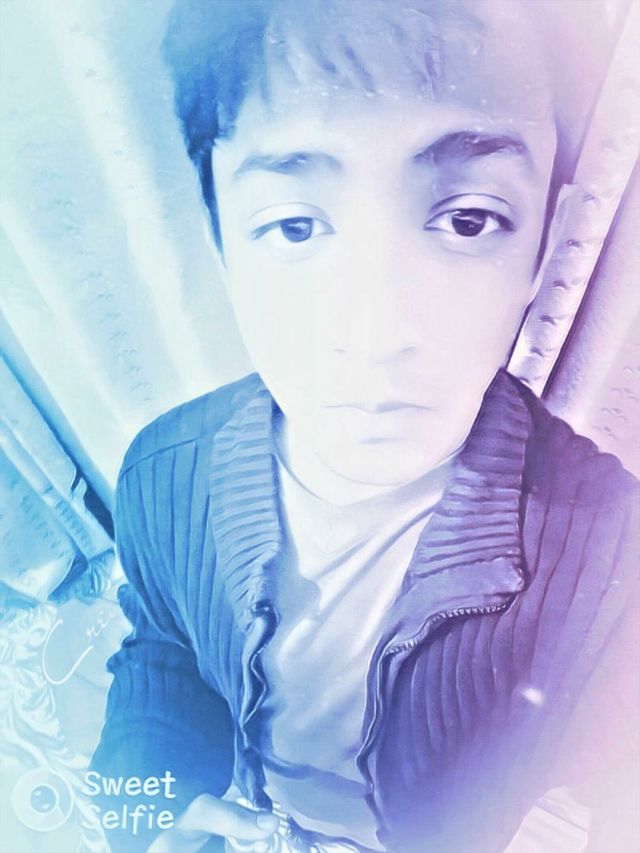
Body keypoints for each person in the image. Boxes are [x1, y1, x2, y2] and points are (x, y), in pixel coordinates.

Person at [90, 2, 640, 851]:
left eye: (467, 219)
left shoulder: (612, 559)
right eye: (295, 225)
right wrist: (149, 813)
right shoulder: (163, 473)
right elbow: (163, 651)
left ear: (548, 243)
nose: (377, 330)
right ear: (220, 237)